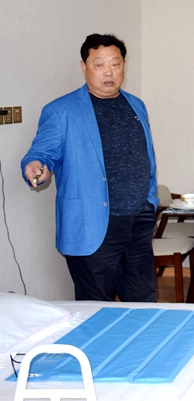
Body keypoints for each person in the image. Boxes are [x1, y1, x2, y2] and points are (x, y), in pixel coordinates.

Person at [21, 34, 158, 302]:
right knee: (96, 309)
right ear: (84, 67)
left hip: (138, 221)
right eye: (99, 65)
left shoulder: (136, 105)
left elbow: (146, 155)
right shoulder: (61, 111)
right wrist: (35, 166)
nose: (109, 72)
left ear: (124, 65)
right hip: (92, 225)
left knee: (144, 302)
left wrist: (149, 202)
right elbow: (41, 154)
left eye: (115, 64)